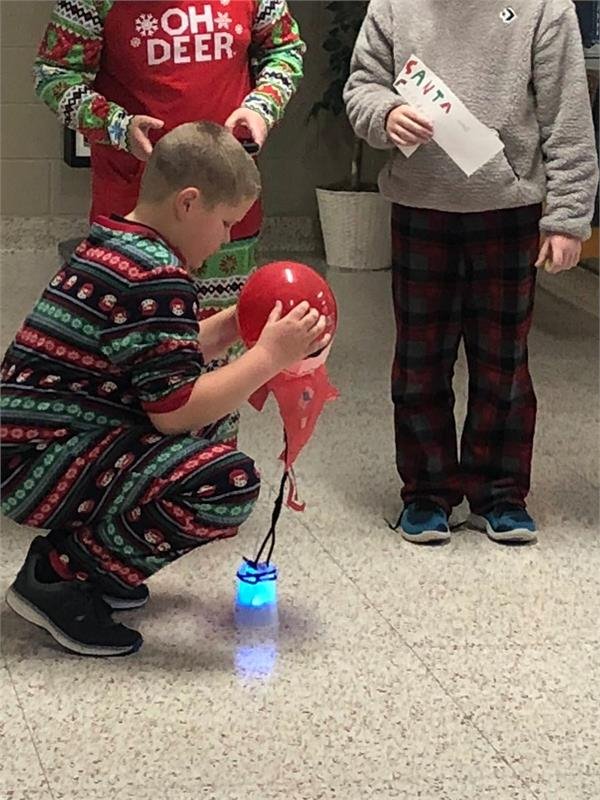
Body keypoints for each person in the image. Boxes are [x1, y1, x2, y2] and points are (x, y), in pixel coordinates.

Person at [0, 122, 330, 657]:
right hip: (37, 463)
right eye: (225, 222)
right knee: (227, 481)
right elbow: (174, 411)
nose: (226, 238)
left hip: (31, 450)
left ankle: (85, 564)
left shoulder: (118, 244)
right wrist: (270, 358)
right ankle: (60, 577)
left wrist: (230, 326)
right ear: (189, 203)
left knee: (201, 435)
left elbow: (157, 355)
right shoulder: (154, 274)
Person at [344, 0, 599, 544]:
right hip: (420, 206)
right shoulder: (393, 6)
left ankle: (500, 492)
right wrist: (385, 115)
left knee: (503, 360)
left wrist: (569, 218)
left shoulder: (546, 9)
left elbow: (567, 119)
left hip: (510, 212)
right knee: (420, 358)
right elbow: (361, 88)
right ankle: (427, 494)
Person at [34, 0, 306, 445]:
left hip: (223, 217)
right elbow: (53, 73)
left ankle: (209, 471)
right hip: (137, 220)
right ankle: (130, 478)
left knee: (220, 358)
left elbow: (286, 48)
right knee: (133, 363)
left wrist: (261, 106)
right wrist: (117, 125)